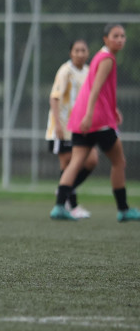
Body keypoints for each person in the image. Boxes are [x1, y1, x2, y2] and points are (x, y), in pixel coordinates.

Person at [51, 23, 138, 222]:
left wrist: (110, 108)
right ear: (105, 39)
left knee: (75, 163)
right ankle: (124, 209)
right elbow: (95, 89)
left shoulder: (99, 57)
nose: (120, 39)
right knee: (118, 162)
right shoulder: (107, 59)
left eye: (123, 36)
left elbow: (96, 88)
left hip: (82, 119)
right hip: (97, 121)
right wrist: (90, 114)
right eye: (115, 36)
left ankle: (59, 207)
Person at [45, 39, 97, 219]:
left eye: (83, 50)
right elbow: (54, 98)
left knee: (91, 160)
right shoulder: (65, 71)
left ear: (88, 53)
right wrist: (58, 124)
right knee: (68, 163)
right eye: (77, 50)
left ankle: (63, 191)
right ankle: (71, 205)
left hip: (79, 127)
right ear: (71, 53)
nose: (80, 53)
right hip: (63, 127)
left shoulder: (89, 71)